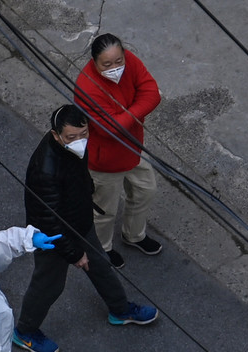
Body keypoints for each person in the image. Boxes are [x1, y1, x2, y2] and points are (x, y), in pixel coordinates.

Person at [12, 104, 158, 352]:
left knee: (101, 266)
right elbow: (48, 220)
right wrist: (74, 253)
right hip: (52, 238)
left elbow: (79, 177)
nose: (79, 141)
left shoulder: (72, 148)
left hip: (79, 221)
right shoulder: (45, 170)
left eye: (83, 134)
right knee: (49, 285)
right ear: (55, 135)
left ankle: (120, 310)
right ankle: (25, 331)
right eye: (71, 137)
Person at [74, 32, 163, 269]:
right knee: (104, 211)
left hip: (132, 149)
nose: (115, 67)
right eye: (107, 64)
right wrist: (136, 111)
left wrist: (126, 115)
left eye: (119, 61)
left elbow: (153, 92)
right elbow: (108, 129)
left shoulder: (129, 61)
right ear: (94, 62)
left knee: (145, 191)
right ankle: (102, 249)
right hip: (105, 163)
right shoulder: (86, 86)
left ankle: (134, 235)